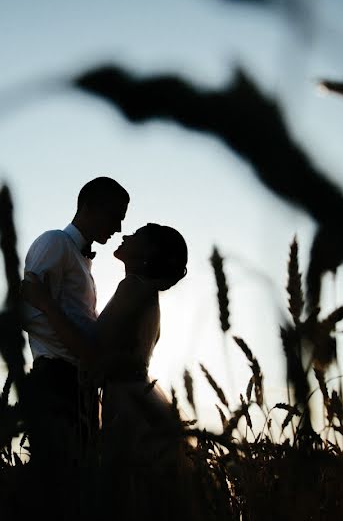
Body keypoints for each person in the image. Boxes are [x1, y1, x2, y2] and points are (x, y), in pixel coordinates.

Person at [22, 223, 208, 520]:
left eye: (137, 234)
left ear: (148, 253)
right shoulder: (144, 293)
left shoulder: (133, 288)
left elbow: (92, 353)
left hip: (128, 407)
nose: (125, 234)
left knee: (126, 495)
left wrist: (44, 304)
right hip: (136, 399)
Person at [19, 176, 130, 514]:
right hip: (55, 378)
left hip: (79, 384)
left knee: (80, 486)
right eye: (115, 215)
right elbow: (29, 306)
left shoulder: (83, 261)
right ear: (90, 207)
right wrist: (81, 348)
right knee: (57, 488)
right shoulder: (55, 243)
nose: (120, 226)